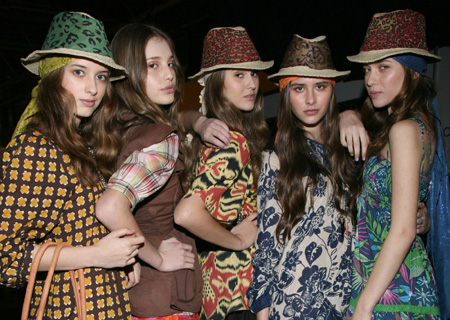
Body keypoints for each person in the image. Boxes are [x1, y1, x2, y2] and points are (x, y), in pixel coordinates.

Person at [0, 11, 145, 319]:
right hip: (70, 307)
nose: (93, 88)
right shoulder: (35, 148)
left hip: (105, 303)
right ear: (54, 76)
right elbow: (6, 259)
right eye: (79, 72)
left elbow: (79, 227)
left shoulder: (85, 143)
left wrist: (123, 256)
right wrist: (98, 254)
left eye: (101, 76)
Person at [94, 23, 229, 320]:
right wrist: (157, 257)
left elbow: (178, 118)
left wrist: (198, 122)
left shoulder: (115, 130)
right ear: (127, 74)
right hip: (164, 299)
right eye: (152, 65)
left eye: (170, 64)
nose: (169, 74)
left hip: (129, 296)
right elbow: (110, 206)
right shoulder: (160, 139)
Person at [246, 34, 360, 320]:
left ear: (332, 91)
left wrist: (351, 114)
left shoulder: (349, 152)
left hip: (343, 305)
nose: (310, 99)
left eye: (320, 86)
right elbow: (267, 248)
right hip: (293, 307)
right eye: (299, 88)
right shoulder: (276, 158)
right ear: (286, 94)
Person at [346, 9, 441, 319]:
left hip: (392, 293)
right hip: (391, 283)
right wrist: (344, 115)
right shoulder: (416, 127)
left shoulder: (403, 130)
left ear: (411, 71)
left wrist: (363, 306)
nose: (371, 80)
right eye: (368, 70)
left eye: (383, 67)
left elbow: (402, 231)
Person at [174, 26, 273, 320]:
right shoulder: (233, 141)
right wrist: (239, 240)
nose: (251, 83)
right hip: (238, 291)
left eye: (253, 73)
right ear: (217, 84)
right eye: (238, 75)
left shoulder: (211, 136)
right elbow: (186, 213)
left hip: (212, 291)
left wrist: (196, 121)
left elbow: (175, 119)